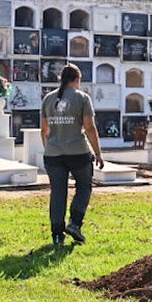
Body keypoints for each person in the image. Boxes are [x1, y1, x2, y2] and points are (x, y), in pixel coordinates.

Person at [40, 64, 102, 247]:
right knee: (84, 186)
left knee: (58, 193)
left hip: (53, 154)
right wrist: (98, 153)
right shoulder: (82, 98)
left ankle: (57, 235)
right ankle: (75, 223)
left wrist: (50, 148)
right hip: (78, 152)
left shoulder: (48, 99)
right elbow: (89, 128)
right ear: (76, 80)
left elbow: (44, 130)